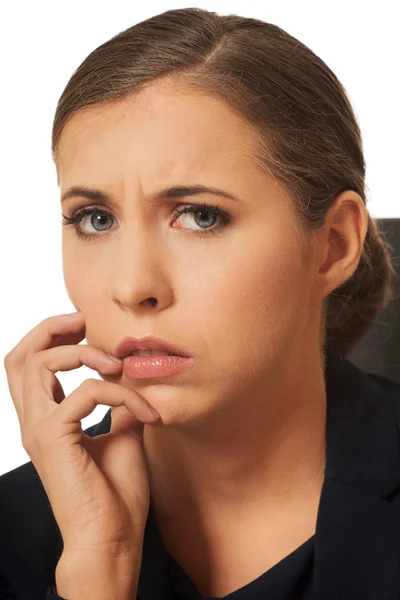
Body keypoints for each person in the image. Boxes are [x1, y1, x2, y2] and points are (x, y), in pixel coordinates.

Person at [1, 6, 399, 600]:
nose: (133, 286)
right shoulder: (12, 538)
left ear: (332, 246)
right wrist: (98, 568)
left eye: (200, 216)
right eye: (95, 218)